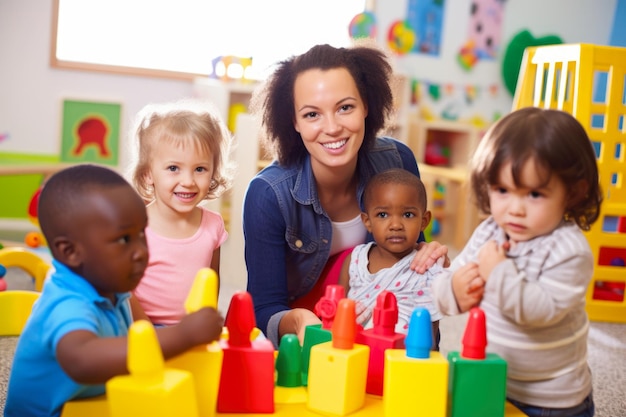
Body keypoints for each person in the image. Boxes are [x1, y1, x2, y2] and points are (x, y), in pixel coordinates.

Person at [243, 42, 448, 348]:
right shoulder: (268, 194)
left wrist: (428, 256)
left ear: (366, 105)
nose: (332, 127)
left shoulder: (397, 160)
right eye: (312, 114)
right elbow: (261, 310)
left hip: (381, 330)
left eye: (345, 107)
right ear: (294, 122)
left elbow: (411, 257)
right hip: (310, 334)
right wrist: (300, 320)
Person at [4, 164, 224, 417]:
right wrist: (182, 335)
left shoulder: (112, 288)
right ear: (70, 252)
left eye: (142, 234)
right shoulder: (67, 303)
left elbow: (136, 346)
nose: (142, 250)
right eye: (123, 240)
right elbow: (82, 360)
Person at [432, 107, 602, 417]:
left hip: (550, 398)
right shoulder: (490, 232)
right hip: (491, 380)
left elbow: (538, 312)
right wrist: (454, 290)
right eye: (502, 191)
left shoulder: (569, 250)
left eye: (534, 194)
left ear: (573, 193)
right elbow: (445, 285)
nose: (515, 209)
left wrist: (497, 272)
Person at [127, 99, 235, 326]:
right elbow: (124, 290)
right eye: (173, 168)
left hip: (193, 332)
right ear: (148, 174)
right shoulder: (135, 227)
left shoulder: (213, 225)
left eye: (199, 169)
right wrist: (150, 333)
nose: (188, 181)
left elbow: (211, 280)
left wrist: (205, 324)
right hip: (142, 329)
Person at [338, 168, 443, 343]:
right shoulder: (354, 260)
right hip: (353, 355)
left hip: (401, 361)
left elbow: (429, 339)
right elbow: (337, 314)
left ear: (424, 221)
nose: (395, 225)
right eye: (383, 214)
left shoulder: (426, 267)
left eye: (407, 215)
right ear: (367, 221)